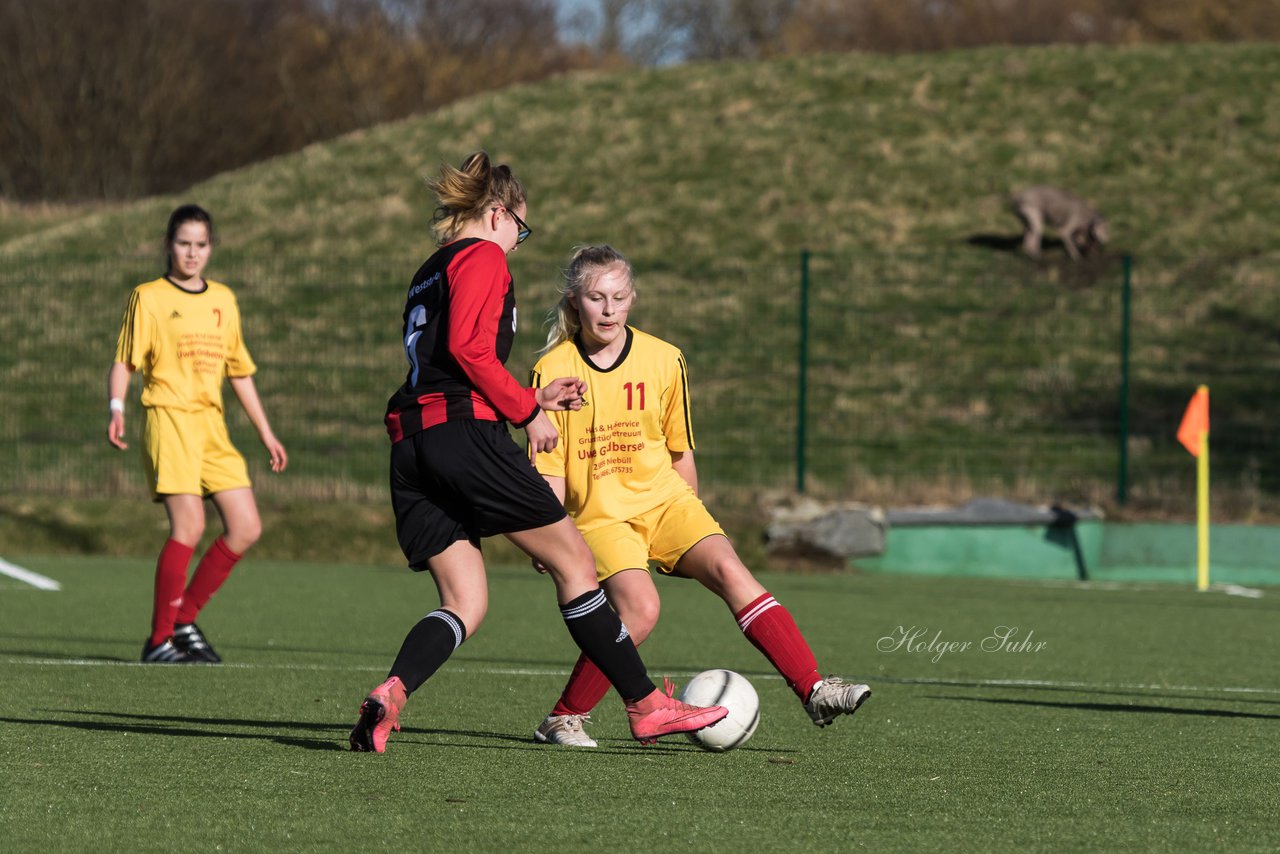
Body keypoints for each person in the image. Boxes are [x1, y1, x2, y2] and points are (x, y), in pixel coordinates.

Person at [348, 152, 727, 753]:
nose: (517, 244)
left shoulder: (430, 269)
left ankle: (392, 691)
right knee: (576, 565)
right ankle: (647, 705)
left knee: (465, 601)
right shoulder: (482, 256)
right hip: (462, 439)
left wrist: (528, 395)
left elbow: (447, 365)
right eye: (519, 229)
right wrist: (528, 413)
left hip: (412, 445)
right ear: (497, 213)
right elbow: (471, 352)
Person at [529, 245, 871, 748]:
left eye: (618, 298)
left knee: (734, 572)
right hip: (601, 517)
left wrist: (693, 519)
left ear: (632, 300)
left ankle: (814, 688)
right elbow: (550, 465)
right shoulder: (554, 370)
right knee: (640, 611)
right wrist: (549, 530)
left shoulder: (666, 359)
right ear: (575, 300)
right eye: (596, 298)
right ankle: (563, 717)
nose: (608, 309)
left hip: (667, 502)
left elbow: (679, 450)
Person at [107, 204, 288, 664]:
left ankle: (183, 619)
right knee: (189, 525)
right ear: (169, 245)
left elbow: (239, 373)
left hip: (212, 426)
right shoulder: (148, 297)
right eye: (183, 243)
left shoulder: (223, 299)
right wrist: (116, 408)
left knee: (246, 526)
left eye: (200, 244)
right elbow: (124, 361)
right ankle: (158, 641)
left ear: (210, 248)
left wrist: (266, 432)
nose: (192, 253)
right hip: (168, 419)